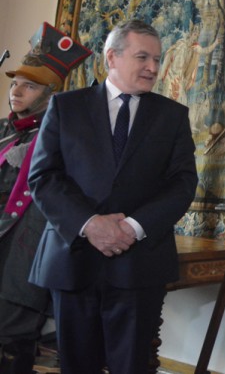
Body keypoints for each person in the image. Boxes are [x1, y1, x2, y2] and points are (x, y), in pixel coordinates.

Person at [27, 19, 198, 374]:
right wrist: (89, 225)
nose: (153, 67)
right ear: (112, 58)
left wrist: (132, 227)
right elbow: (43, 177)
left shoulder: (173, 117)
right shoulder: (65, 107)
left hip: (139, 263)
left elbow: (182, 184)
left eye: (156, 58)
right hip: (72, 259)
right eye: (142, 57)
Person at [0, 23, 91, 374]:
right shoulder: (4, 130)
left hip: (26, 249)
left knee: (12, 336)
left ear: (51, 93)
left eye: (30, 85)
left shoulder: (63, 133)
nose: (17, 90)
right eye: (15, 83)